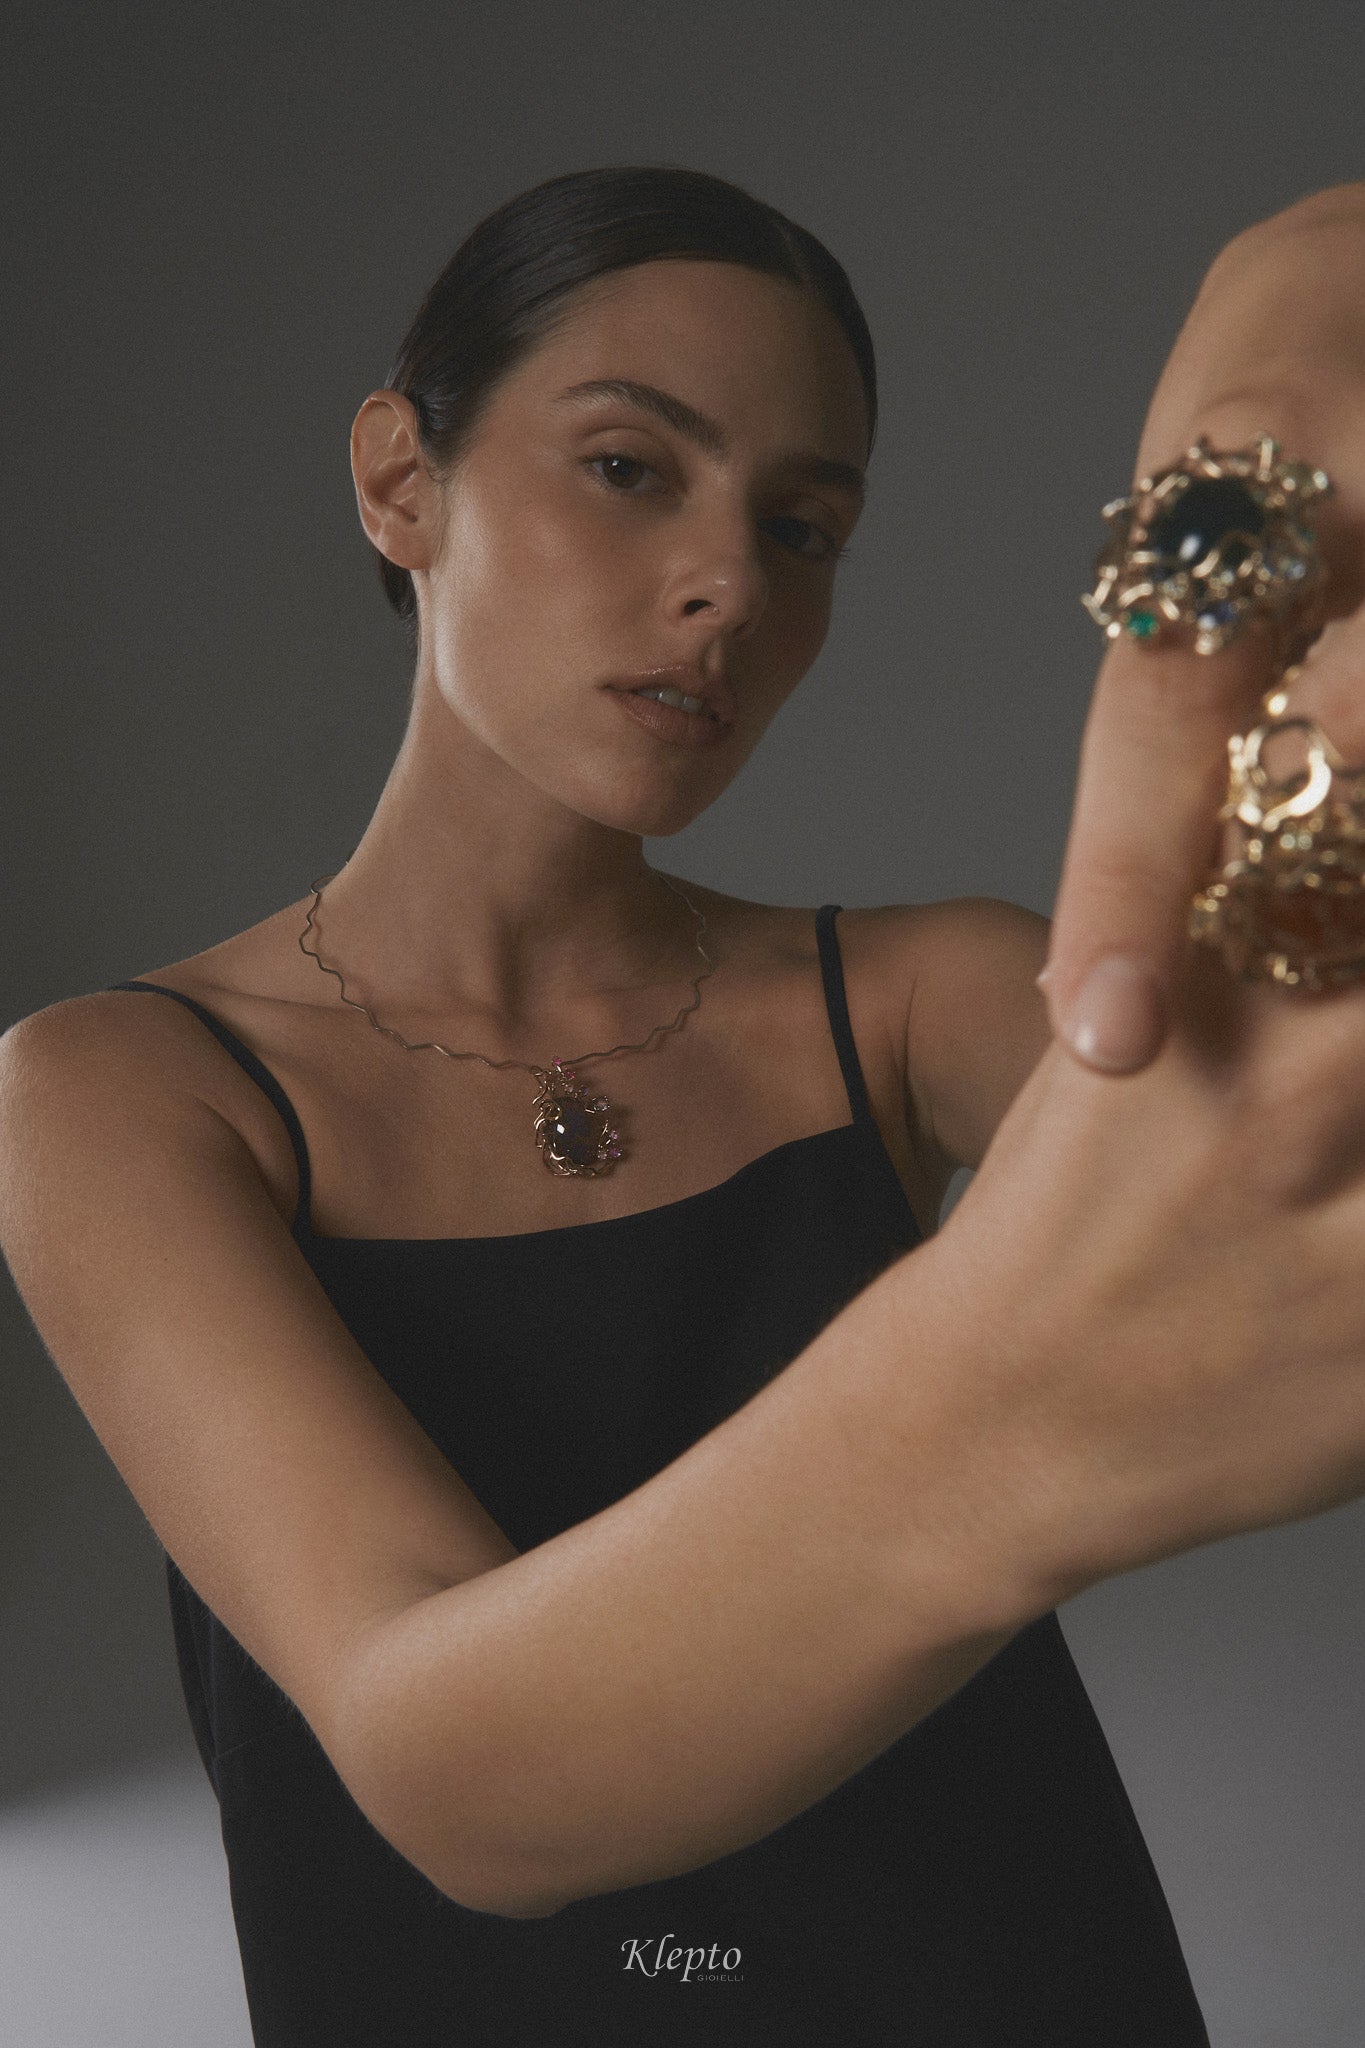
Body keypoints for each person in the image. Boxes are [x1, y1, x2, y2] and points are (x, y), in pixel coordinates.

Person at [3, 161, 1365, 2046]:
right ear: (401, 479)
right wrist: (1024, 1412)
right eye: (629, 466)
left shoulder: (924, 1000)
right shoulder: (120, 1091)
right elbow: (457, 1772)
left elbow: (1301, 1121)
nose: (731, 583)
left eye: (802, 526)